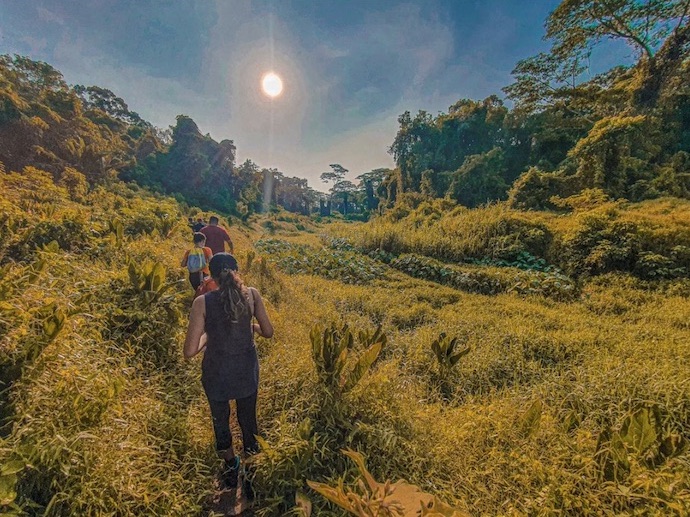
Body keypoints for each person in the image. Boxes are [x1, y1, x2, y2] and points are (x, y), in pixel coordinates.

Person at [183, 253, 274, 492]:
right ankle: (252, 470)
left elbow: (190, 350)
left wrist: (208, 336)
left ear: (211, 276)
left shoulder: (202, 303)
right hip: (246, 372)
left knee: (220, 422)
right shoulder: (252, 295)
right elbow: (268, 331)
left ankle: (232, 466)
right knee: (248, 422)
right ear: (237, 271)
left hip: (216, 375)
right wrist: (250, 326)